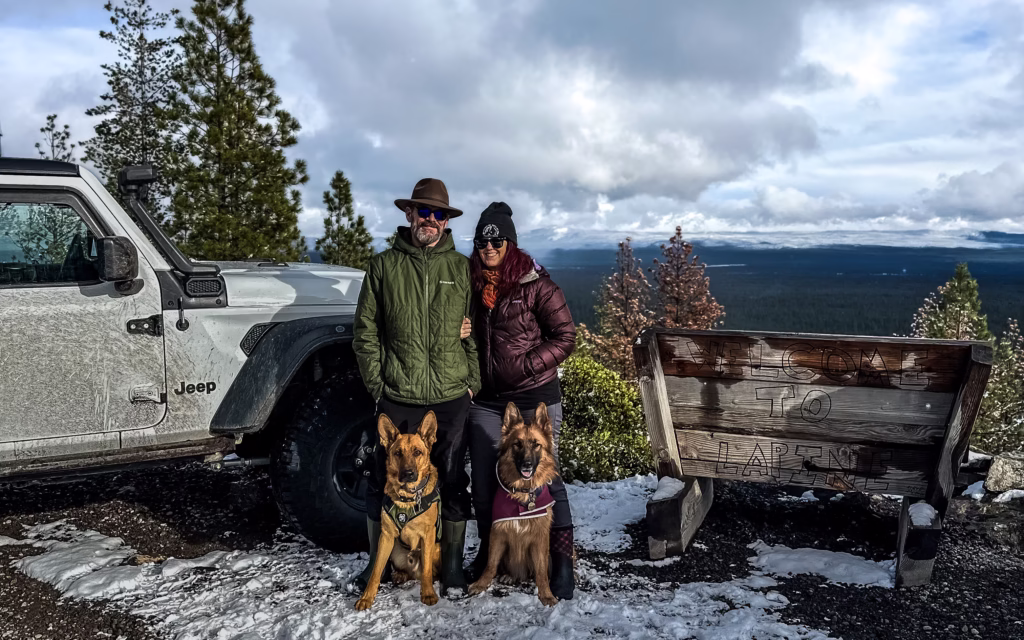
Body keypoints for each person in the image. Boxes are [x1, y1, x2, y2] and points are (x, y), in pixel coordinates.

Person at [351, 178, 481, 596]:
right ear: (409, 215)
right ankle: (380, 564)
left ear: (446, 221)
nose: (430, 219)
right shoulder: (383, 266)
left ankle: (454, 566)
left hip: (449, 397)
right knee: (380, 480)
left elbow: (474, 330)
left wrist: (471, 383)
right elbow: (364, 332)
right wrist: (377, 384)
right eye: (423, 211)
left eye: (438, 213)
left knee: (453, 480)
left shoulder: (460, 268)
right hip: (398, 396)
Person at [466, 202, 577, 600]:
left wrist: (527, 366)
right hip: (487, 399)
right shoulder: (472, 283)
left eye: (496, 239)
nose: (489, 246)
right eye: (482, 239)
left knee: (548, 479)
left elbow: (565, 337)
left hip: (534, 395)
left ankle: (561, 560)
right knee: (483, 481)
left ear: (510, 242)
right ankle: (487, 556)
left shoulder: (537, 284)